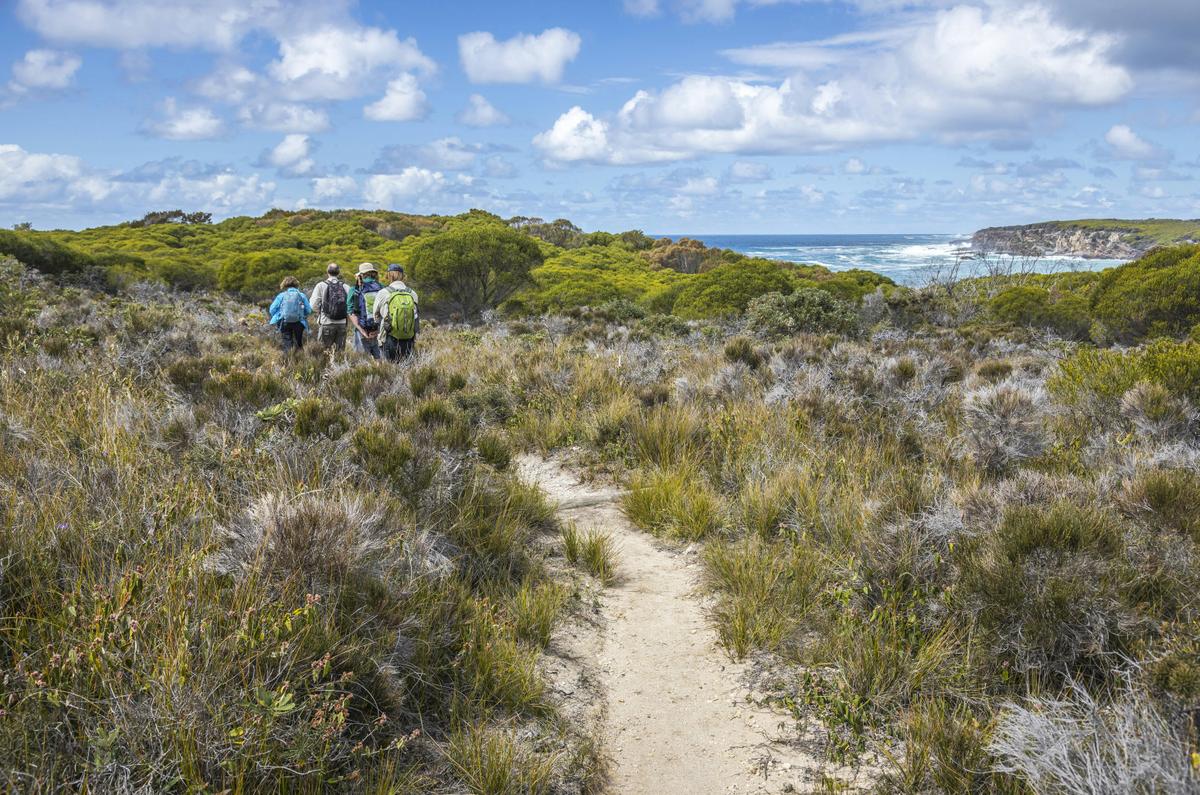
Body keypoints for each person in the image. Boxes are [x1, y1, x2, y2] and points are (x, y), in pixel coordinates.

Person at [373, 263, 419, 361]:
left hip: (388, 336)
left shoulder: (383, 292)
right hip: (408, 338)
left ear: (389, 275)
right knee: (407, 367)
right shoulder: (412, 293)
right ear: (403, 276)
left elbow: (375, 315)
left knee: (389, 369)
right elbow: (415, 316)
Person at [346, 262, 383, 359]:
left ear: (361, 275)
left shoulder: (354, 289)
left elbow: (351, 312)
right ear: (373, 273)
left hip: (362, 331)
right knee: (380, 360)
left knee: (362, 362)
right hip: (378, 330)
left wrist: (362, 331)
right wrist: (378, 330)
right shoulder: (381, 287)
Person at [308, 262, 348, 351]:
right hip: (342, 323)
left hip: (326, 323)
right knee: (340, 353)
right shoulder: (345, 286)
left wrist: (320, 311)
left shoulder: (321, 285)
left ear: (327, 272)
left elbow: (313, 305)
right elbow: (350, 305)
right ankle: (339, 365)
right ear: (338, 272)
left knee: (323, 352)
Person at [268, 275, 311, 353]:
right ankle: (300, 361)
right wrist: (302, 315)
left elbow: (272, 309)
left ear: (285, 285)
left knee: (287, 343)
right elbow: (308, 310)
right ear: (296, 284)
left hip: (285, 322)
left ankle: (288, 361)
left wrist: (278, 316)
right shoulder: (301, 295)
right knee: (299, 343)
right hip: (299, 322)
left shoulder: (281, 296)